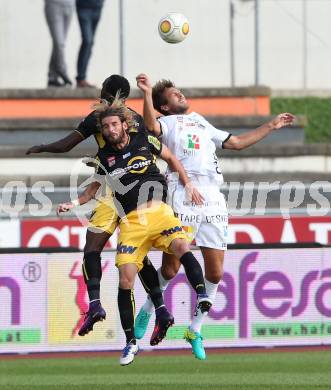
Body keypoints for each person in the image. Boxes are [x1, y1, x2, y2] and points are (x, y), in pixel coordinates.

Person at [135, 73, 295, 360]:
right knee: (170, 268)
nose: (180, 94)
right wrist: (147, 94)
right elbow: (149, 125)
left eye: (179, 90)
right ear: (166, 107)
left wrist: (271, 125)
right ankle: (149, 309)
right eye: (174, 94)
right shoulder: (167, 123)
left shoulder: (201, 120)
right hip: (183, 190)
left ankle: (195, 329)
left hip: (213, 198)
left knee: (216, 273)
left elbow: (236, 143)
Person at [59, 100, 211, 365]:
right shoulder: (103, 158)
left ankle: (202, 296)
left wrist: (187, 185)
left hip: (160, 212)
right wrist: (71, 204)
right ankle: (131, 343)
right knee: (126, 279)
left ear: (123, 124)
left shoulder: (144, 140)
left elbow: (171, 157)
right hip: (131, 223)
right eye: (105, 126)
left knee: (182, 247)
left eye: (114, 124)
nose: (110, 129)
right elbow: (93, 189)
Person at [26, 75, 168, 338]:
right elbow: (155, 147)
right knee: (137, 254)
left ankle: (94, 305)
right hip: (140, 192)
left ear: (105, 92)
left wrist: (43, 147)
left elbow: (68, 144)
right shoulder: (134, 117)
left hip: (111, 190)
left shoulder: (100, 118)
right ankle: (161, 309)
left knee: (92, 249)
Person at [44, 0, 74, 87]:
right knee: (59, 43)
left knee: (59, 44)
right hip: (54, 5)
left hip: (70, 5)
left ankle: (52, 77)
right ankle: (62, 70)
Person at [76, 0, 104, 88]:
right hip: (83, 7)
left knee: (90, 43)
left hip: (97, 7)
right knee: (87, 41)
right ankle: (81, 78)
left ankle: (82, 78)